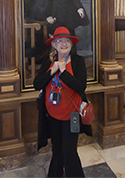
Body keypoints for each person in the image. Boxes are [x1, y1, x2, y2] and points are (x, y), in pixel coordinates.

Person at [34, 26, 90, 177]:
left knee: (69, 152)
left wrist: (64, 72)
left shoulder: (78, 61)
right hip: (53, 116)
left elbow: (80, 87)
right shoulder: (48, 62)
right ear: (54, 45)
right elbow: (37, 84)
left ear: (71, 44)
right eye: (59, 41)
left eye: (67, 41)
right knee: (57, 151)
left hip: (71, 116)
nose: (63, 44)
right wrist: (52, 70)